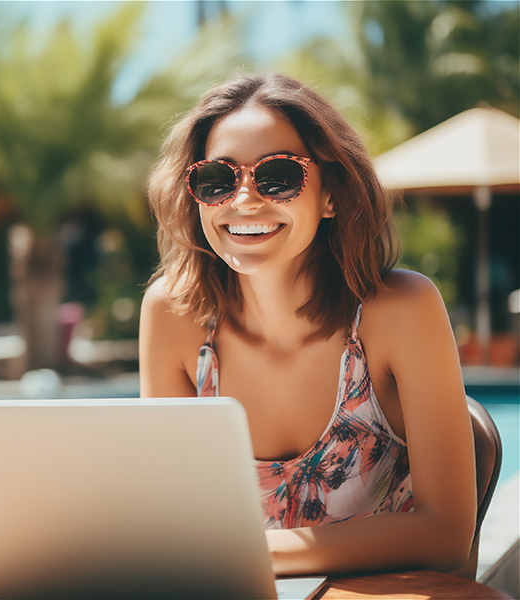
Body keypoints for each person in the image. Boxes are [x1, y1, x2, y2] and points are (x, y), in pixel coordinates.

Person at [139, 73, 476, 576]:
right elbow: (170, 516)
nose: (244, 199)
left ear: (331, 194)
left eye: (278, 176)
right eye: (217, 180)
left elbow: (446, 533)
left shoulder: (402, 310)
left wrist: (252, 555)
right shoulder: (173, 315)